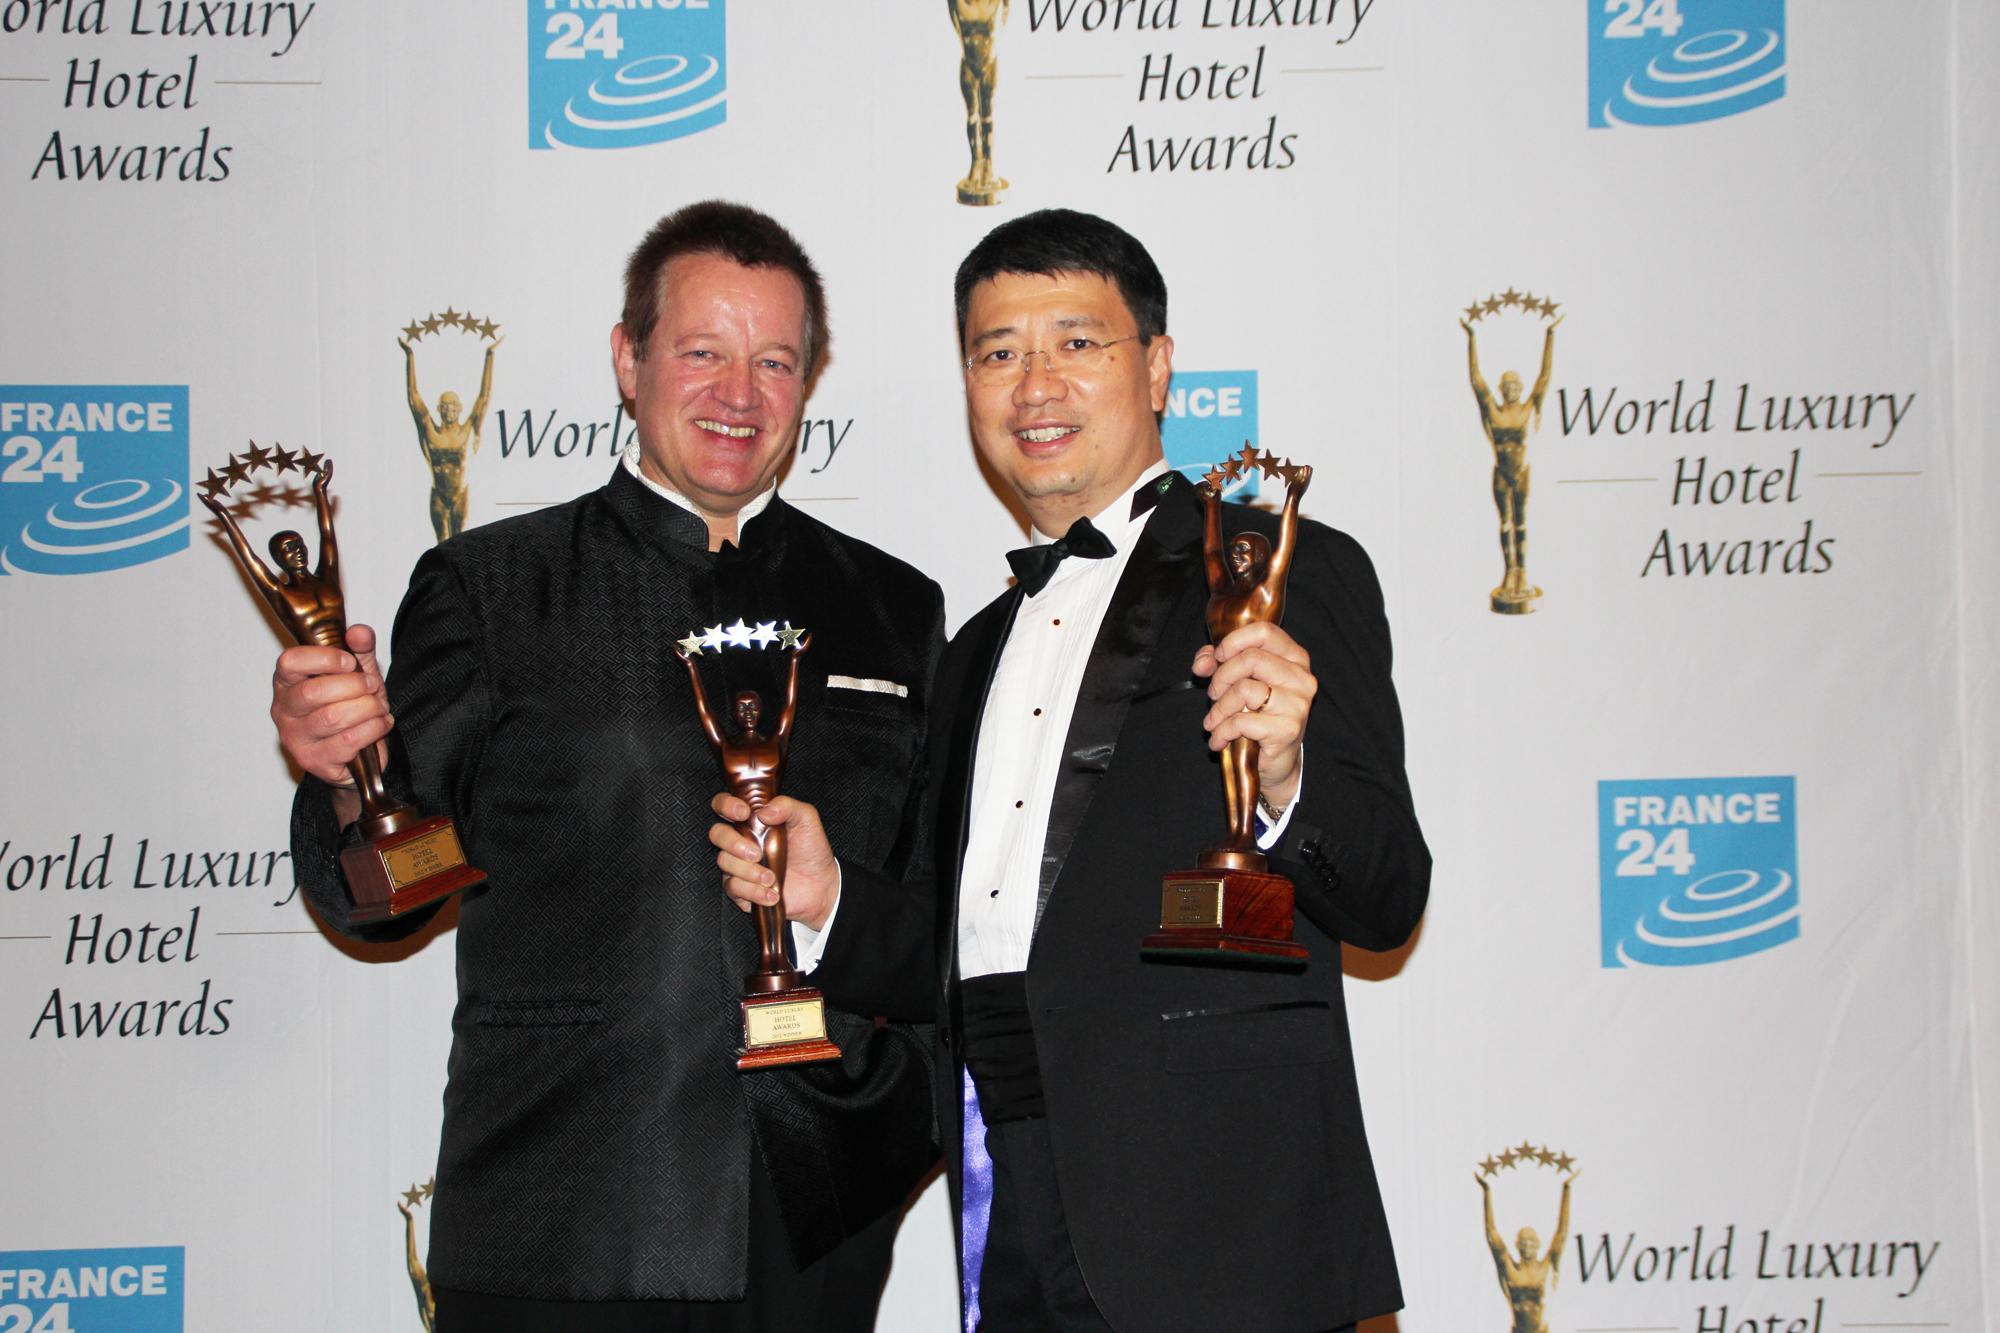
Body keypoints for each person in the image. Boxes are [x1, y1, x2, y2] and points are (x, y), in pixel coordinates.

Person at [711, 209, 1430, 1331]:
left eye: (1076, 342)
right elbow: (960, 952)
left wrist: (1286, 780)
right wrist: (828, 899)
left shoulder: (1280, 568)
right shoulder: (971, 650)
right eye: (997, 352)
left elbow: (1386, 894)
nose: (1034, 384)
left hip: (1221, 1219)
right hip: (1006, 1199)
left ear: (1158, 366)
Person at [268, 201, 942, 1331]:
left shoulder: (892, 608)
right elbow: (389, 898)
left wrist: (876, 1053)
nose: (739, 394)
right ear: (629, 361)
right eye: (702, 352)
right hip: (557, 1215)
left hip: (808, 1226)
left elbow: (938, 924)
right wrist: (346, 778)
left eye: (774, 361)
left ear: (809, 381)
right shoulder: (491, 588)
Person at [1461, 314, 1558, 608]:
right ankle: (1508, 573)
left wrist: (1550, 335)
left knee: (1521, 523)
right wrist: (1472, 339)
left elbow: (1545, 376)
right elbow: (1476, 380)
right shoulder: (1494, 411)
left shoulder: (1530, 408)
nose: (1511, 389)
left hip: (1522, 471)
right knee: (1505, 523)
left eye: (1515, 385)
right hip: (1501, 471)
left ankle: (1522, 573)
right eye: (1507, 385)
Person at [400, 333, 499, 542]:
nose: (449, 409)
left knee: (460, 545)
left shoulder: (469, 428)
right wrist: (410, 356)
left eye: (453, 405)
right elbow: (413, 397)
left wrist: (489, 356)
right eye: (445, 405)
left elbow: (484, 397)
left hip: (460, 494)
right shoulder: (429, 429)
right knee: (442, 546)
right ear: (439, 409)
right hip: (438, 495)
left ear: (460, 408)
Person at [1478, 1171, 1577, 1333]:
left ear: (1538, 1245)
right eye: (1523, 1242)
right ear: (1517, 1245)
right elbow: (1491, 1234)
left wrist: (1566, 1189)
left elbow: (1562, 1233)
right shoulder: (1510, 1268)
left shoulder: (1547, 1266)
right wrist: (1487, 1191)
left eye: (1531, 1242)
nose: (1527, 1246)